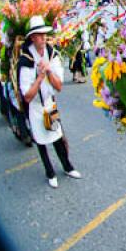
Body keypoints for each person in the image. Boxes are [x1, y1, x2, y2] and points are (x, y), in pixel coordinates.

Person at [18, 16, 81, 188]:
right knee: (40, 139)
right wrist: (39, 77)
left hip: (48, 103)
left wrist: (48, 71)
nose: (44, 37)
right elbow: (27, 97)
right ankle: (49, 172)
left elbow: (59, 86)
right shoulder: (25, 61)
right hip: (35, 107)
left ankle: (67, 167)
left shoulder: (52, 54)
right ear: (32, 37)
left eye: (45, 34)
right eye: (39, 35)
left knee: (57, 136)